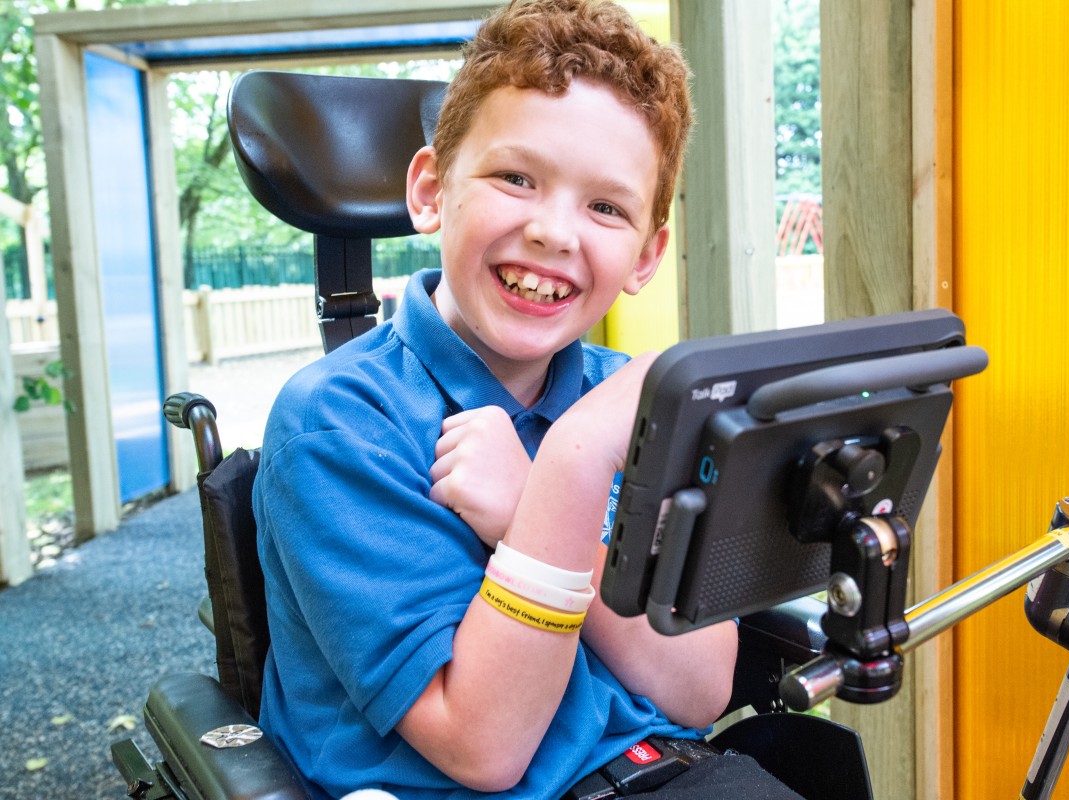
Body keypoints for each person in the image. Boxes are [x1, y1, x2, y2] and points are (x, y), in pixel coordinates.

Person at [252, 1, 803, 798]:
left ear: (646, 255)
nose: (554, 232)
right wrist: (571, 474)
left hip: (668, 774)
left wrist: (530, 508)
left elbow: (697, 689)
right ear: (433, 190)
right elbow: (484, 749)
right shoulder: (338, 423)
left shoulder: (630, 401)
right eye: (517, 177)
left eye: (606, 207)